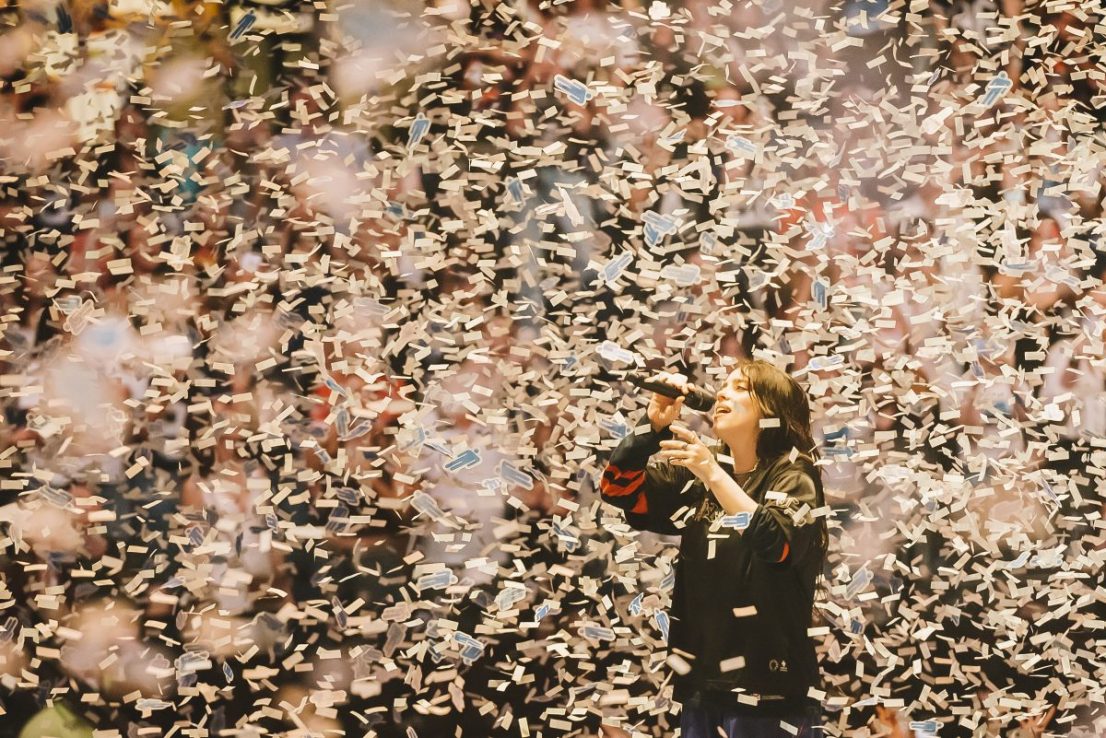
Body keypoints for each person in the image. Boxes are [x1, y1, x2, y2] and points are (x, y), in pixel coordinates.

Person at [599, 359, 828, 738]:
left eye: (740, 387)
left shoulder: (795, 476)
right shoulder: (699, 475)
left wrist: (713, 473)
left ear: (771, 409)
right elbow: (618, 490)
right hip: (703, 686)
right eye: (724, 385)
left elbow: (777, 545)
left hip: (771, 693)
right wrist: (652, 427)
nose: (722, 392)